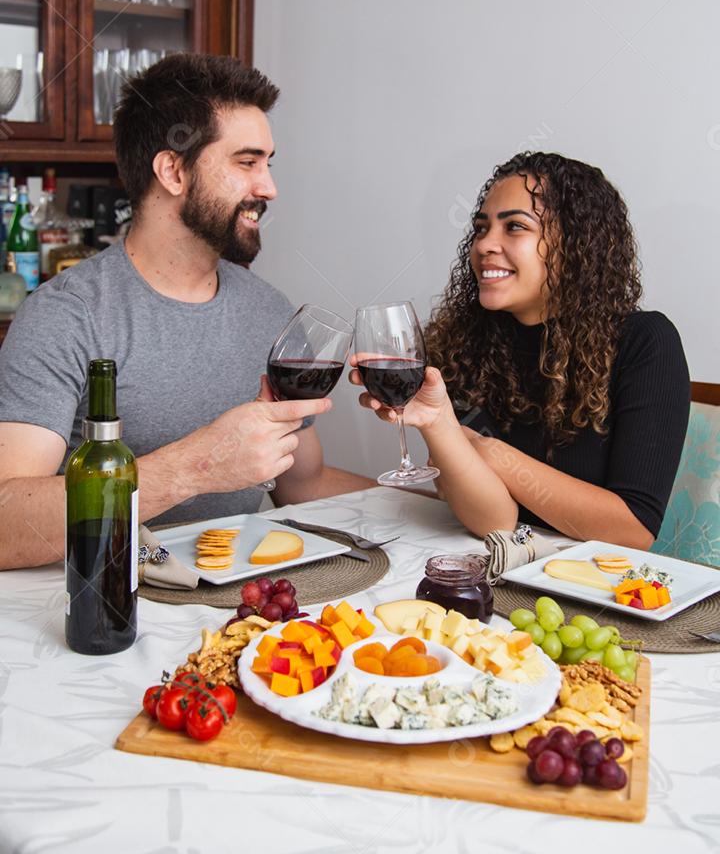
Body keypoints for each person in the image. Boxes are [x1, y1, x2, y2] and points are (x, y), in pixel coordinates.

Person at [0, 54, 372, 571]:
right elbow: (5, 521)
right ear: (172, 170)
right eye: (247, 163)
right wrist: (197, 466)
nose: (268, 188)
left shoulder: (269, 310)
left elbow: (303, 483)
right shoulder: (67, 315)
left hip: (240, 613)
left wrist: (438, 503)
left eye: (268, 163)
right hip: (102, 615)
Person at [351, 151, 690, 548]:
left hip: (597, 587)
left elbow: (632, 530)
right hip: (502, 572)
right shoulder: (463, 344)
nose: (484, 246)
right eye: (481, 228)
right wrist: (439, 424)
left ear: (575, 244)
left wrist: (493, 455)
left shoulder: (646, 342)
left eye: (514, 227)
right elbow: (494, 521)